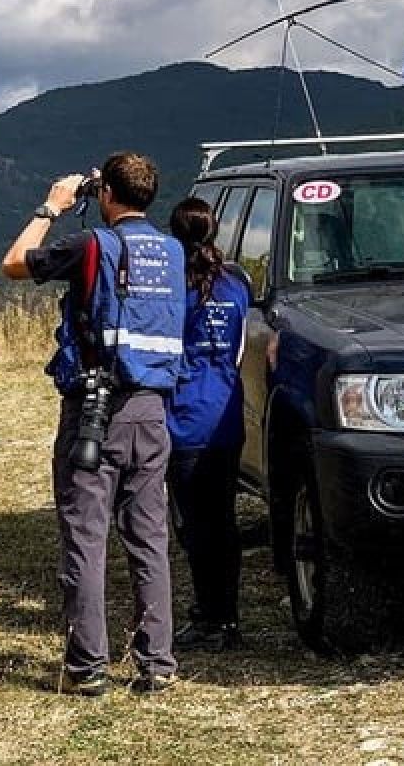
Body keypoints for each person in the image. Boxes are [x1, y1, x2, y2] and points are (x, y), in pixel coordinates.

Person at [1, 152, 185, 696]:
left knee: (86, 537)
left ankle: (89, 667)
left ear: (105, 194)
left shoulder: (91, 245)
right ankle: (157, 663)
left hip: (94, 409)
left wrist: (51, 207)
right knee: (149, 538)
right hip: (152, 408)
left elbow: (14, 264)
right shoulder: (172, 250)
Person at [164, 197, 250, 651]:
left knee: (193, 525)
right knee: (224, 520)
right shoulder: (235, 284)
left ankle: (207, 615)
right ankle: (228, 617)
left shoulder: (174, 288)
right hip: (227, 413)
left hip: (183, 416)